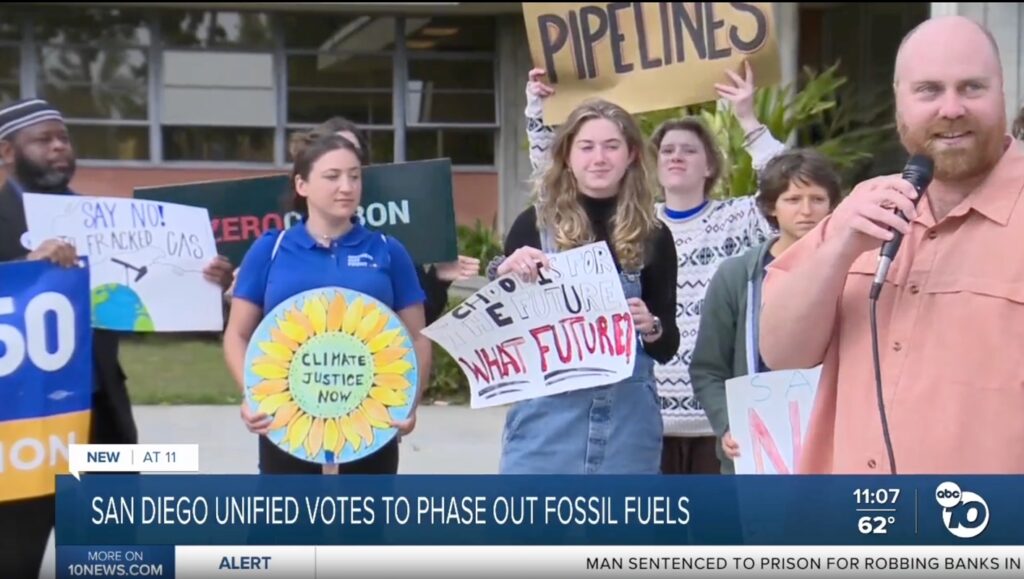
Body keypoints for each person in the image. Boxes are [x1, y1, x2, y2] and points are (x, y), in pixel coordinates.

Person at [759, 16, 1024, 474]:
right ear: (899, 102)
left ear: (1003, 93)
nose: (951, 108)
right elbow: (782, 353)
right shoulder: (862, 208)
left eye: (972, 88)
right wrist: (841, 248)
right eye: (928, 90)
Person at [0, 98, 233, 577]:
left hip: (100, 412)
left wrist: (205, 281)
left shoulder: (100, 220)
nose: (60, 148)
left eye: (64, 138)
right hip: (24, 426)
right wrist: (26, 273)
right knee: (15, 556)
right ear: (7, 151)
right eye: (44, 140)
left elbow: (154, 295)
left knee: (106, 557)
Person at [525, 64, 786, 474]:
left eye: (689, 150)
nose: (677, 157)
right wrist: (539, 109)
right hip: (625, 414)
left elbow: (785, 189)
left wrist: (748, 120)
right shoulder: (595, 223)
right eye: (668, 150)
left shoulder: (719, 224)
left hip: (702, 417)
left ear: (711, 166)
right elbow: (554, 177)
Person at [488, 97, 680, 474]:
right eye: (587, 147)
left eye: (612, 146)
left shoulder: (654, 236)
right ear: (567, 156)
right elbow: (500, 336)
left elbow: (667, 346)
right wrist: (503, 279)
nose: (599, 158)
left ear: (631, 156)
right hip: (545, 427)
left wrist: (651, 326)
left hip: (627, 427)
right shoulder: (533, 225)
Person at [225, 131, 430, 475]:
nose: (347, 187)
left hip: (371, 415)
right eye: (332, 177)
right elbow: (237, 335)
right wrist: (253, 395)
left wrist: (411, 403)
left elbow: (420, 336)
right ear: (302, 185)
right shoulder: (270, 250)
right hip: (286, 416)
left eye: (354, 175)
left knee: (363, 525)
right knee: (286, 525)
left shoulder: (387, 250)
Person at [690, 149, 841, 474]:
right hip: (760, 449)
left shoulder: (854, 268)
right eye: (793, 199)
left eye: (817, 199)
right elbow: (707, 369)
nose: (806, 211)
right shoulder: (737, 276)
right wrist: (728, 423)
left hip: (834, 446)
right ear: (772, 205)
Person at [289, 117, 480, 326]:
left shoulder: (392, 240)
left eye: (352, 155)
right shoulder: (278, 245)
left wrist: (437, 278)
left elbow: (417, 324)